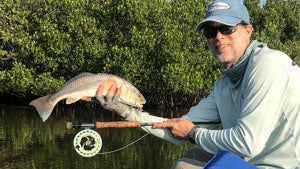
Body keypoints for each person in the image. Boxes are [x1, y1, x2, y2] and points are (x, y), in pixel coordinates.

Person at [83, 0, 300, 168]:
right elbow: (175, 129)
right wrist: (123, 109)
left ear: (248, 31)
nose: (218, 37)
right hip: (249, 164)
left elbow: (247, 143)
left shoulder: (268, 64)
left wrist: (195, 132)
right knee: (192, 157)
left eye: (226, 29)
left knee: (188, 163)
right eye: (210, 32)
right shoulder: (223, 86)